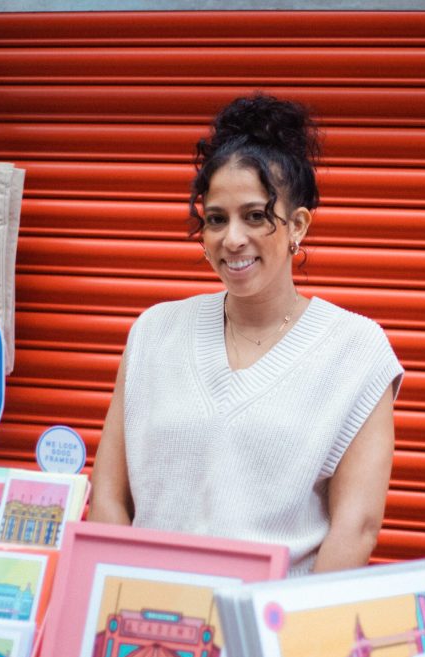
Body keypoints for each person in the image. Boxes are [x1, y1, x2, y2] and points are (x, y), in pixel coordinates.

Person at [88, 93, 403, 575]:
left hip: (268, 628)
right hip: (144, 622)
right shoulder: (155, 332)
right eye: (216, 219)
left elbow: (356, 526)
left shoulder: (356, 351)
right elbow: (108, 497)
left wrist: (290, 633)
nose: (232, 238)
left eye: (255, 216)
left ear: (297, 226)